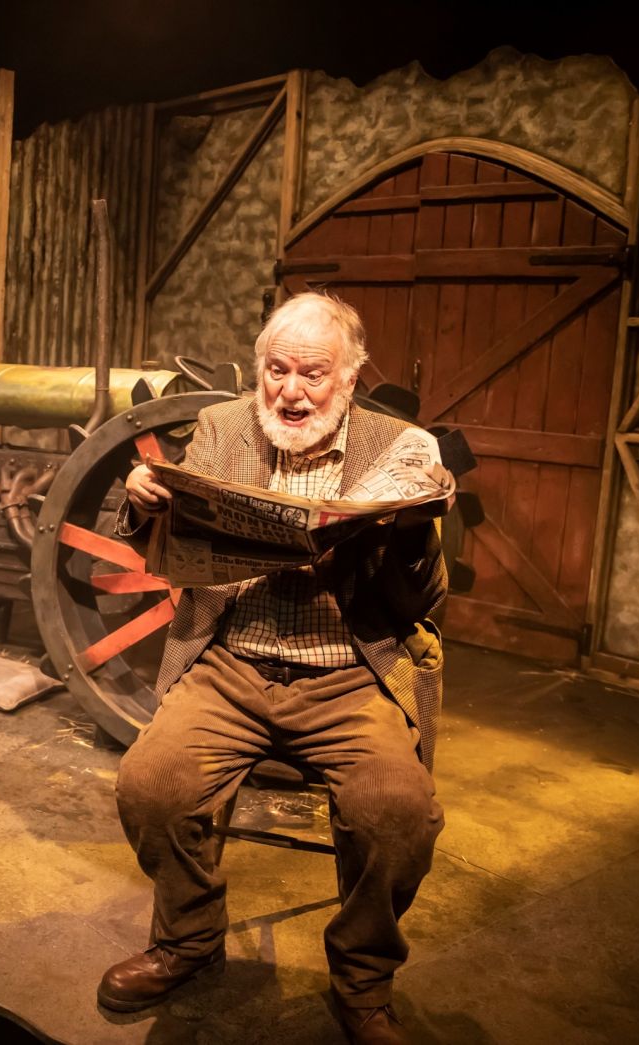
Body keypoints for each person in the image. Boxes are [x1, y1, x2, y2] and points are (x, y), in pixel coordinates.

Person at [100, 292, 450, 1043]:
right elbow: (168, 538)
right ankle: (188, 940)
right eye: (276, 370)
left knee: (397, 812)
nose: (291, 391)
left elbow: (426, 599)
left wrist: (415, 532)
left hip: (348, 677)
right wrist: (141, 502)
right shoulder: (222, 427)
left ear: (349, 378)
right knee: (150, 786)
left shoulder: (398, 447)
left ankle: (362, 981)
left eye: (313, 374)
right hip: (232, 667)